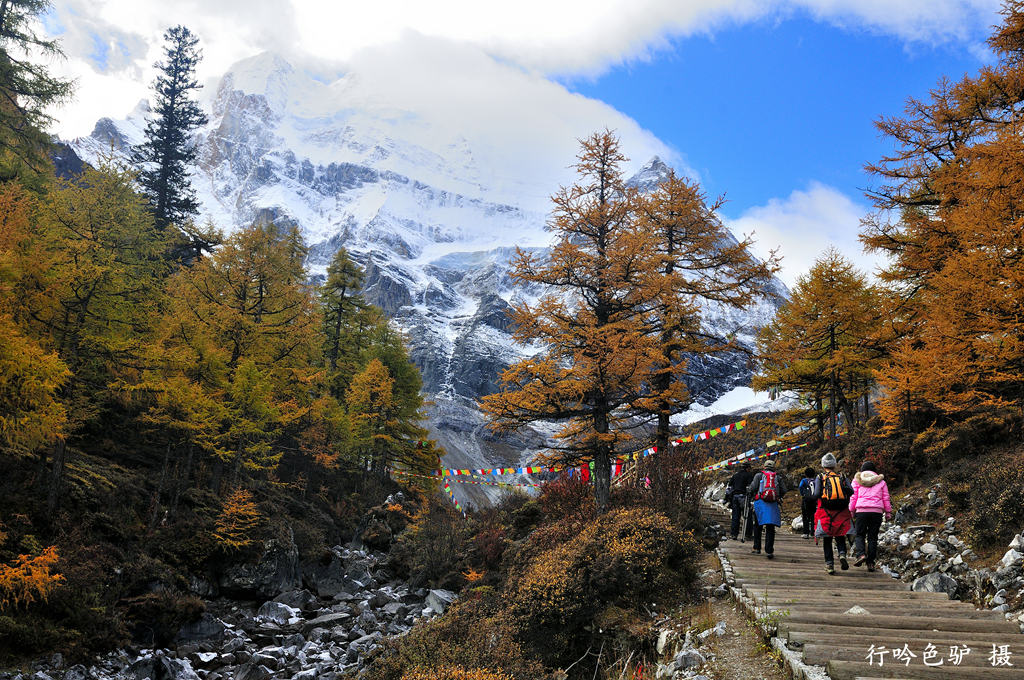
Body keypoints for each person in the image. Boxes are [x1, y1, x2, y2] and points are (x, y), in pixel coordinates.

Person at [812, 452, 854, 575]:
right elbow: (851, 491)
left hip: (826, 511)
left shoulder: (820, 477)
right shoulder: (842, 476)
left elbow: (816, 494)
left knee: (827, 538)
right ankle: (842, 554)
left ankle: (829, 564)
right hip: (841, 510)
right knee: (840, 534)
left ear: (823, 465)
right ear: (834, 464)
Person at [850, 461, 892, 571]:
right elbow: (886, 498)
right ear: (874, 471)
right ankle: (871, 563)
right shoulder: (881, 481)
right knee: (873, 537)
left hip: (861, 511)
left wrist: (851, 510)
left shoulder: (857, 480)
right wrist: (888, 512)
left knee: (859, 534)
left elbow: (853, 497)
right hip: (876, 512)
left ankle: (861, 554)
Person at [747, 458, 787, 558]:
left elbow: (752, 488)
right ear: (773, 468)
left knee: (758, 526)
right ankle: (769, 550)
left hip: (760, 503)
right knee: (770, 527)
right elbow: (784, 490)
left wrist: (750, 492)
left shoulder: (759, 475)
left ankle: (756, 548)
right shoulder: (777, 477)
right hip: (773, 504)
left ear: (764, 467)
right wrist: (778, 496)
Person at [725, 461, 755, 541]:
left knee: (735, 516)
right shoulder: (749, 476)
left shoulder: (735, 475)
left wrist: (727, 498)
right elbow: (751, 488)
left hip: (735, 497)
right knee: (747, 516)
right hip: (744, 497)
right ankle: (747, 534)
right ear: (747, 468)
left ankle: (734, 534)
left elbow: (729, 487)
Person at [798, 467, 816, 540]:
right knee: (813, 516)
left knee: (805, 516)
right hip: (814, 500)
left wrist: (803, 494)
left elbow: (800, 487)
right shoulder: (816, 480)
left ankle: (806, 533)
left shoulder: (804, 480)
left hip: (806, 500)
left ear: (805, 474)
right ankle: (813, 532)